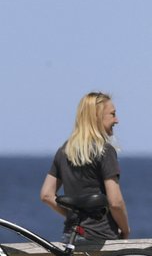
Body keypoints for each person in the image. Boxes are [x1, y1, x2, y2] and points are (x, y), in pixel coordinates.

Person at [40, 91, 130, 241]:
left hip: (72, 235)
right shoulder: (105, 151)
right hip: (102, 239)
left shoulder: (64, 150)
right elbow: (115, 202)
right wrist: (126, 229)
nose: (117, 120)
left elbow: (46, 195)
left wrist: (73, 214)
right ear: (97, 117)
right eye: (113, 114)